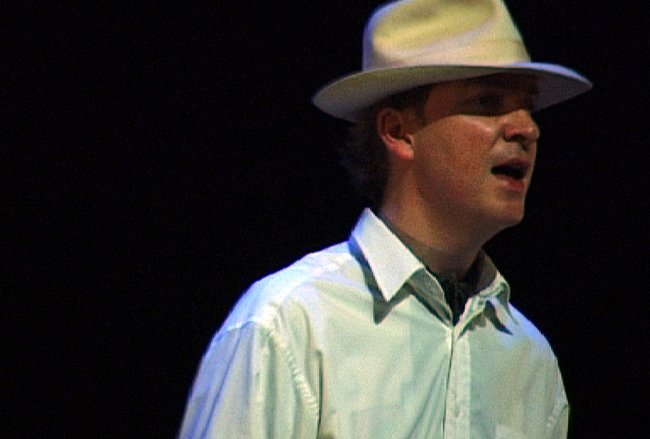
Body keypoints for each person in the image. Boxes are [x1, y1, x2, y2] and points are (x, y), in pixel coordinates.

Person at [179, 0, 591, 437]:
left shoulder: (530, 361)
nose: (527, 129)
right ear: (398, 132)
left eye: (529, 108)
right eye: (488, 102)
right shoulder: (290, 324)